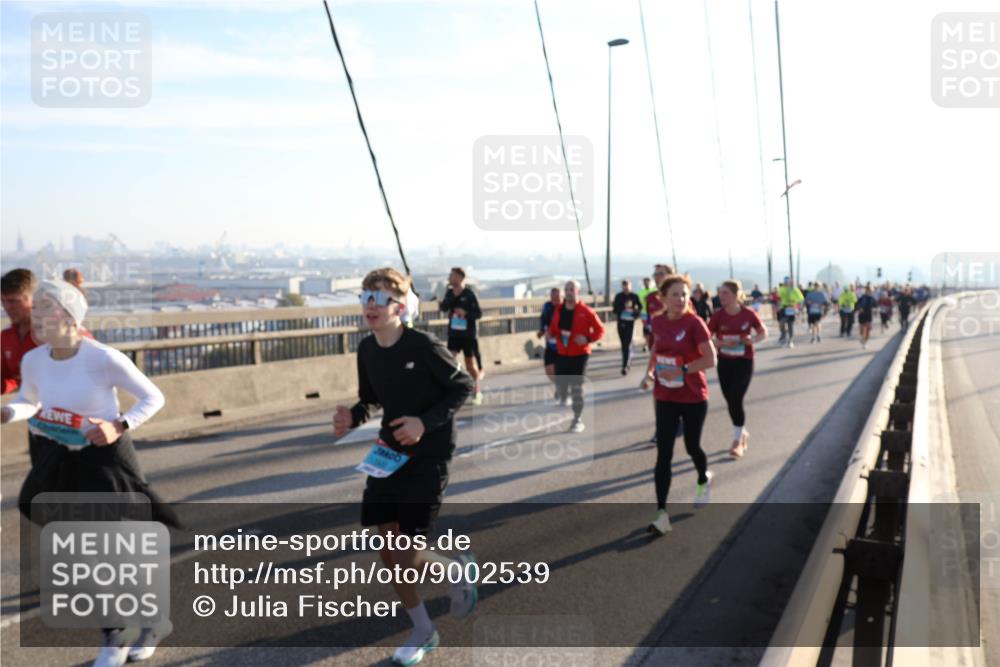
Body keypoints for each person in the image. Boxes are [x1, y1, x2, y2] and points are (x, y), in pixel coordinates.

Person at [1, 280, 177, 667]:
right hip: (59, 457)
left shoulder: (102, 357)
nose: (36, 314)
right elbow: (29, 399)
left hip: (106, 457)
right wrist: (10, 412)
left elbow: (153, 397)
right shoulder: (34, 360)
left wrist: (120, 424)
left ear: (68, 317)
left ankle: (135, 629)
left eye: (46, 307)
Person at [333, 267, 476, 666]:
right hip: (388, 454)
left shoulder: (423, 346)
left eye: (379, 299)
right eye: (365, 298)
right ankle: (423, 630)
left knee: (407, 551)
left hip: (429, 456)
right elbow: (370, 399)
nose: (370, 307)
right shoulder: (367, 349)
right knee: (387, 547)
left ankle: (452, 571)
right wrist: (353, 417)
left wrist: (423, 423)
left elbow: (462, 385)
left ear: (400, 306)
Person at [641, 274, 717, 535]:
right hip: (665, 395)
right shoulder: (658, 321)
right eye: (675, 294)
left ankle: (702, 479)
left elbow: (710, 359)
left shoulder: (695, 323)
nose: (681, 299)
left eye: (684, 294)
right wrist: (649, 373)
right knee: (664, 453)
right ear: (662, 298)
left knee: (692, 446)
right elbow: (656, 350)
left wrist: (683, 369)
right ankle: (661, 513)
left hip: (694, 395)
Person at [708, 280, 767, 458]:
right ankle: (742, 432)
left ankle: (737, 440)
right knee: (730, 400)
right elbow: (707, 337)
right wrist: (720, 342)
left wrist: (753, 341)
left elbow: (763, 332)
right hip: (725, 362)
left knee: (735, 398)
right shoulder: (718, 316)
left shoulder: (748, 314)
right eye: (720, 293)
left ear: (735, 295)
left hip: (744, 362)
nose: (721, 296)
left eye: (724, 293)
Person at [548, 279, 604, 432]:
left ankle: (577, 419)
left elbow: (600, 331)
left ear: (577, 292)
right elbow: (554, 327)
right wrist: (551, 333)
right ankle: (563, 393)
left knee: (576, 387)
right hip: (562, 353)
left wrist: (587, 339)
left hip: (580, 354)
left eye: (572, 289)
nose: (568, 292)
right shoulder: (558, 310)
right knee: (561, 383)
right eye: (566, 289)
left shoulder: (586, 312)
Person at [440, 267, 483, 405]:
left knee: (470, 364)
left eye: (452, 276)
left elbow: (478, 314)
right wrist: (445, 302)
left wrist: (465, 313)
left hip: (468, 335)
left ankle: (476, 389)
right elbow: (444, 308)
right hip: (454, 333)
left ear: (460, 277)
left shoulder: (470, 294)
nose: (449, 278)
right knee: (449, 359)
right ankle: (452, 389)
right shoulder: (449, 292)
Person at [2, 269, 38, 394]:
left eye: (13, 301)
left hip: (62, 410)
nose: (7, 307)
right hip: (26, 408)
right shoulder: (6, 336)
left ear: (34, 299)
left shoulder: (55, 335)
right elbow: (8, 379)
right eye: (3, 301)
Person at [612, 279, 642, 375]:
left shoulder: (634, 296)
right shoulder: (619, 296)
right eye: (624, 285)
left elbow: (640, 307)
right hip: (621, 322)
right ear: (622, 286)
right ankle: (627, 360)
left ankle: (625, 366)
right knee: (623, 344)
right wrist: (622, 308)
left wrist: (635, 314)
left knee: (627, 344)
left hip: (630, 323)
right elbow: (614, 309)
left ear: (630, 285)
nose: (626, 287)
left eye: (627, 285)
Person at [536, 287, 561, 392]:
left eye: (556, 297)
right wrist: (541, 331)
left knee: (560, 369)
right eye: (552, 296)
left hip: (562, 346)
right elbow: (543, 320)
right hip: (550, 344)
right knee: (549, 370)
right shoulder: (547, 306)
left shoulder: (565, 308)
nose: (554, 299)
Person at [777, 276, 804, 348]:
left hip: (792, 308)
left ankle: (790, 341)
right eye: (785, 282)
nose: (787, 283)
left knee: (790, 325)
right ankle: (783, 334)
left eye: (788, 282)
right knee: (781, 323)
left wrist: (795, 303)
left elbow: (801, 299)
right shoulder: (782, 289)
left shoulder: (795, 289)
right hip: (784, 308)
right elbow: (779, 297)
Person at [856, 285, 877, 349]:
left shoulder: (872, 299)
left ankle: (865, 343)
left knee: (868, 329)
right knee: (862, 329)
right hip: (862, 315)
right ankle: (862, 337)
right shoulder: (862, 298)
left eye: (870, 291)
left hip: (869, 315)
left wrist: (875, 311)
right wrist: (859, 308)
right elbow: (857, 305)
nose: (869, 292)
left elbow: (875, 306)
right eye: (867, 290)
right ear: (865, 291)